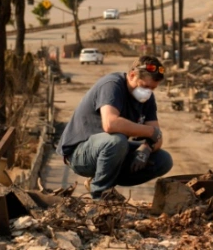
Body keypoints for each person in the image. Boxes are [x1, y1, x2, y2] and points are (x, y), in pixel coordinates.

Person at [58, 55, 173, 199]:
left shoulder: (147, 99)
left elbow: (157, 137)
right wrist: (150, 132)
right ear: (132, 75)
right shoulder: (112, 85)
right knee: (117, 140)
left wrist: (147, 148)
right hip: (79, 153)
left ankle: (102, 181)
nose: (148, 91)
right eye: (145, 86)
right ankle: (100, 194)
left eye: (153, 88)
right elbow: (110, 124)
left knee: (163, 160)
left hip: (110, 151)